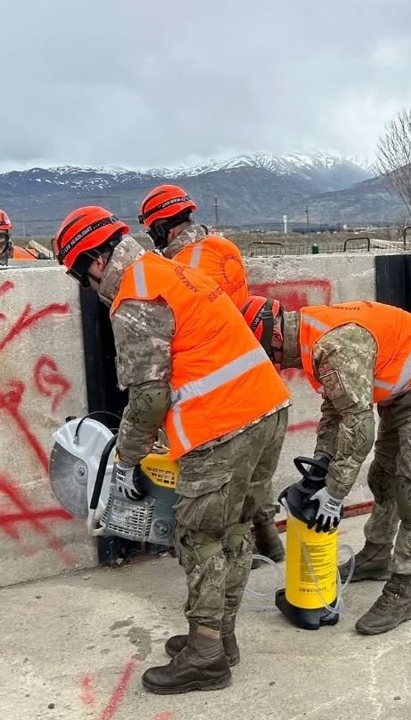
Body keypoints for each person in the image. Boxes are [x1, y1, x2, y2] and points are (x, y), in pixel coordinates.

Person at [52, 206, 292, 695]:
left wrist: (127, 458)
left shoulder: (135, 297)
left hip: (224, 426)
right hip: (267, 408)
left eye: (82, 276)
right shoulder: (171, 269)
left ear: (95, 262)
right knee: (236, 527)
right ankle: (219, 638)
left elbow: (148, 396)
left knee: (199, 535)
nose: (89, 288)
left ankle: (206, 658)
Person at [239, 295, 411, 635]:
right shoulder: (308, 338)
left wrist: (334, 493)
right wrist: (320, 467)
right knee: (384, 477)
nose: (274, 365)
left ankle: (402, 592)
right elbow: (336, 411)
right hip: (399, 390)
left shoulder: (333, 349)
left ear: (274, 338)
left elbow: (359, 430)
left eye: (268, 356)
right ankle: (376, 557)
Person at [137, 184, 275, 562]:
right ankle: (268, 539)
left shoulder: (182, 267)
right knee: (252, 471)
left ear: (163, 226)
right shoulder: (223, 247)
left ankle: (227, 552)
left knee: (214, 483)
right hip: (252, 369)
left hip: (212, 381)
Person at [138, 184, 249, 306]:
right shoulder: (226, 245)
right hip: (241, 322)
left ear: (167, 232)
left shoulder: (179, 270)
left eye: (154, 234)